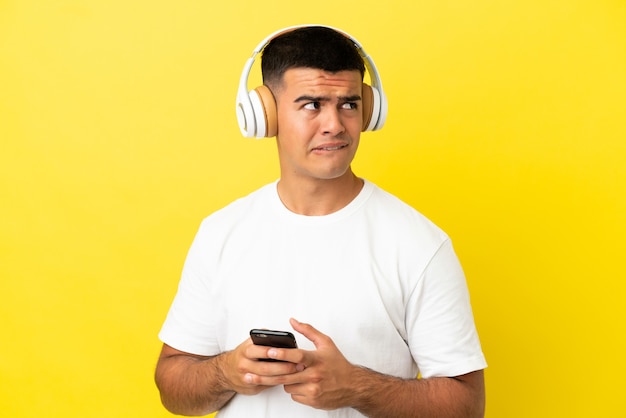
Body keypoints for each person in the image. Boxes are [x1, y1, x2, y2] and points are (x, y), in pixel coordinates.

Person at [155, 25, 487, 417]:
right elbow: (173, 390)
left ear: (368, 109)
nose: (334, 124)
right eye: (312, 104)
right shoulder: (220, 233)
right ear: (265, 114)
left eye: (348, 104)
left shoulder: (418, 244)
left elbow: (467, 406)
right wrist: (225, 373)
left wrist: (356, 387)